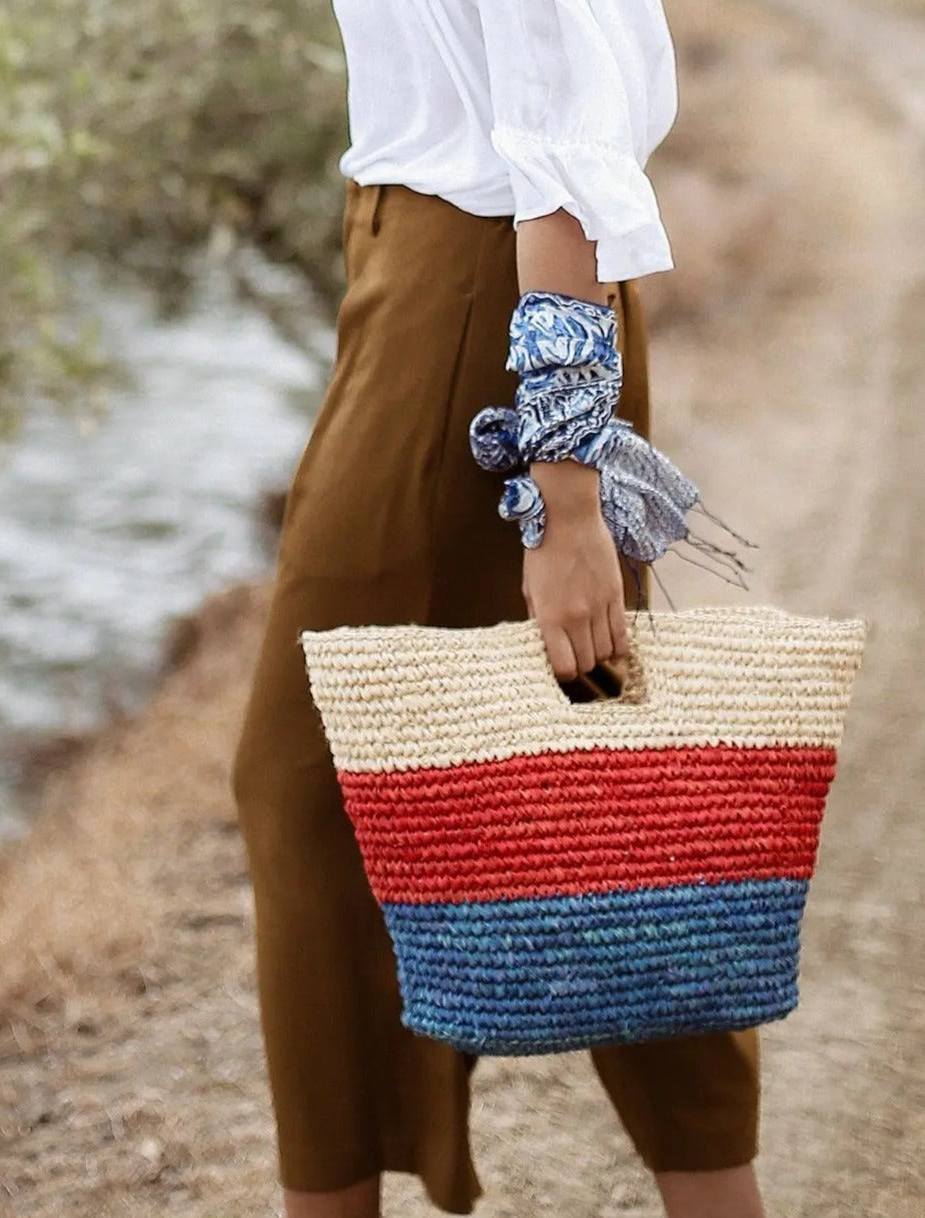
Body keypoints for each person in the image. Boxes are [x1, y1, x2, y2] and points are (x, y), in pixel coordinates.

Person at [232, 3, 765, 1216]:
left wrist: (566, 503)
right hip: (432, 273)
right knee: (590, 761)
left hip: (479, 291)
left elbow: (564, 132)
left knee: (310, 786)